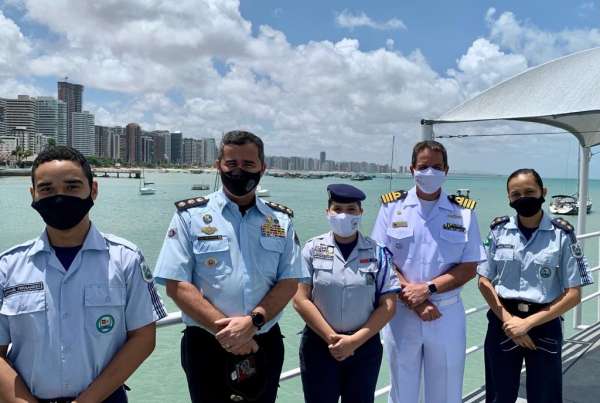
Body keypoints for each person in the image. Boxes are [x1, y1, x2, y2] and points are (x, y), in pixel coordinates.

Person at [0, 146, 166, 403]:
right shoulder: (8, 266)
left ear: (93, 190)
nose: (59, 197)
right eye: (47, 189)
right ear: (33, 195)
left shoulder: (126, 259)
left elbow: (143, 337)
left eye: (72, 186)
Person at [153, 130, 307, 403]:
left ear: (262, 167)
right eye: (231, 164)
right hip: (206, 344)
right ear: (218, 166)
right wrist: (231, 334)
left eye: (248, 164)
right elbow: (177, 285)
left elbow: (289, 281)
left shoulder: (280, 220)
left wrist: (253, 323)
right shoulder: (190, 216)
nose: (239, 171)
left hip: (263, 341)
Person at [371, 140, 486, 403]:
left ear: (447, 170)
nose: (430, 172)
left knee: (446, 389)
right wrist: (416, 301)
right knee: (402, 390)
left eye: (437, 166)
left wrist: (427, 289)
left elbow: (469, 266)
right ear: (411, 169)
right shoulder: (391, 207)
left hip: (446, 313)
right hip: (401, 312)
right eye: (423, 166)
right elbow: (381, 259)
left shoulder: (464, 212)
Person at [477, 168, 593, 403]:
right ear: (509, 198)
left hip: (545, 324)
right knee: (498, 396)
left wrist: (527, 324)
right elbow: (483, 280)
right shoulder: (498, 231)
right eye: (516, 194)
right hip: (503, 321)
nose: (523, 198)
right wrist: (511, 322)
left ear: (543, 192)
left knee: (545, 396)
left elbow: (574, 294)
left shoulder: (562, 234)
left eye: (529, 192)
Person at [294, 184, 400, 403]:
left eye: (351, 209)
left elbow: (388, 305)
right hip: (319, 345)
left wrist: (353, 341)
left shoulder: (378, 252)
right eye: (338, 209)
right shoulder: (311, 249)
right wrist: (331, 338)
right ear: (328, 212)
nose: (344, 215)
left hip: (364, 346)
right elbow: (300, 299)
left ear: (361, 213)